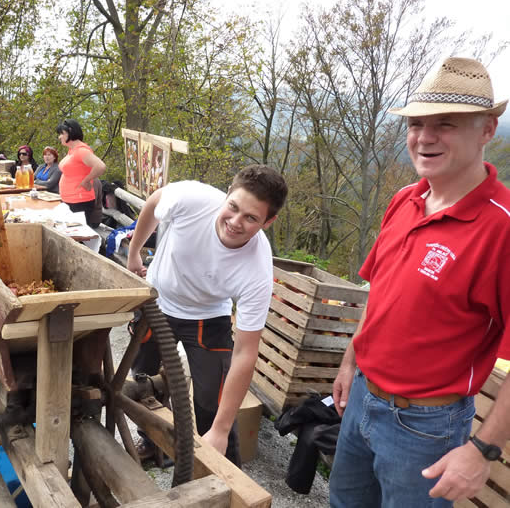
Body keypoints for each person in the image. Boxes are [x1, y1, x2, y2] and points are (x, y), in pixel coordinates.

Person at [329, 57, 510, 507]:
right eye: (416, 123)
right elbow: (378, 293)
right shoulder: (404, 200)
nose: (425, 137)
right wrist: (350, 364)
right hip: (362, 398)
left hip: (426, 428)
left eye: (445, 124)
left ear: (487, 130)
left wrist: (483, 450)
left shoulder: (502, 228)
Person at [127, 164, 288, 466]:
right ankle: (151, 441)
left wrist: (221, 429)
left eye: (251, 218)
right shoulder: (191, 198)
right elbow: (153, 203)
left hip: (207, 316)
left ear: (268, 222)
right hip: (158, 300)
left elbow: (245, 352)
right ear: (227, 194)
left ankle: (220, 464)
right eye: (233, 207)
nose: (235, 222)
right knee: (143, 379)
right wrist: (134, 252)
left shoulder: (257, 269)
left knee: (211, 399)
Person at [56, 119, 107, 224]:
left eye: (62, 133)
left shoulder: (81, 151)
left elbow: (100, 166)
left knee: (76, 232)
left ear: (70, 132)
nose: (59, 137)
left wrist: (86, 180)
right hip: (70, 200)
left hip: (79, 201)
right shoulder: (72, 150)